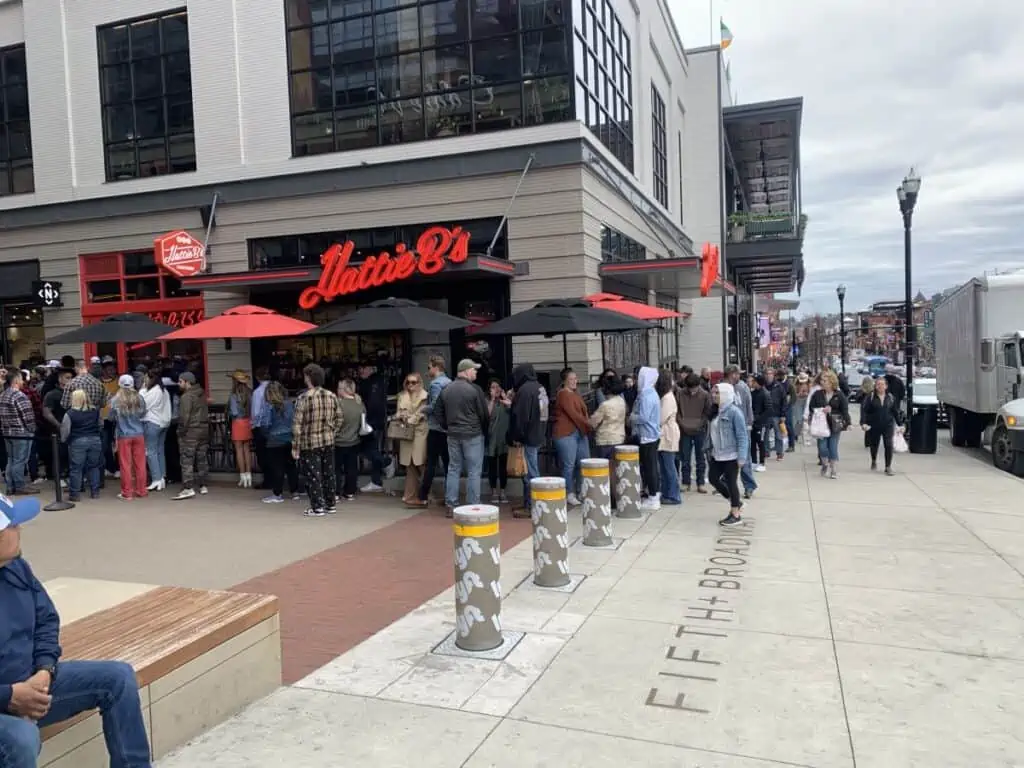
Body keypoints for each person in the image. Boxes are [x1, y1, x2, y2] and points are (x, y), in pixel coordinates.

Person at [0, 495, 153, 768]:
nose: (20, 529)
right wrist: (10, 696)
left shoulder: (16, 567)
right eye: (12, 526)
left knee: (118, 678)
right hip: (6, 698)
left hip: (31, 684)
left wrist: (45, 670)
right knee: (21, 739)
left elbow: (46, 620)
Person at [435, 359, 489, 516]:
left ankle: (451, 505)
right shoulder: (475, 390)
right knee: (473, 471)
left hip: (453, 434)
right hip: (473, 434)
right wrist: (484, 431)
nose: (476, 372)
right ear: (466, 371)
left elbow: (437, 411)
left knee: (453, 468)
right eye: (474, 369)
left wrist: (447, 426)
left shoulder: (446, 389)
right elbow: (484, 414)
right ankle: (473, 505)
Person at [292, 364, 339, 517]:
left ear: (308, 378)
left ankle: (318, 506)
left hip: (309, 442)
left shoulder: (303, 398)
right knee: (329, 473)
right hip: (328, 440)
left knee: (313, 475)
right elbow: (339, 418)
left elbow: (297, 425)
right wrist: (332, 431)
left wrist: (295, 447)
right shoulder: (331, 395)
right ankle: (330, 504)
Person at [410, 355, 451, 508]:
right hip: (448, 428)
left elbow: (434, 405)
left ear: (436, 367)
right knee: (448, 464)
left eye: (429, 367)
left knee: (431, 463)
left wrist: (422, 409)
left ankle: (422, 496)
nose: (428, 370)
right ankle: (450, 496)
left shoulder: (435, 384)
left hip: (436, 428)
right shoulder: (449, 382)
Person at [707, 382, 749, 527]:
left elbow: (742, 436)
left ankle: (735, 514)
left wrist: (742, 457)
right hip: (717, 453)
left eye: (717, 393)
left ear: (725, 394)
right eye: (713, 392)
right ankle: (736, 502)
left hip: (731, 454)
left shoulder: (734, 412)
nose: (714, 395)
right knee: (713, 478)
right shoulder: (716, 410)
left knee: (731, 483)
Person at [551, 368, 591, 506]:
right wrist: (589, 424)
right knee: (569, 465)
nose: (574, 381)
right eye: (571, 379)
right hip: (566, 433)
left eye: (575, 378)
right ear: (565, 381)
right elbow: (574, 414)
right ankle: (569, 493)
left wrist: (586, 424)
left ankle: (580, 490)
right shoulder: (563, 394)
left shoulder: (575, 393)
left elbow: (583, 412)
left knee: (583, 462)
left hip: (579, 432)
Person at [508, 363, 543, 518]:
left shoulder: (524, 390)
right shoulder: (540, 388)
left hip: (528, 436)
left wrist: (517, 437)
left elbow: (521, 417)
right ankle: (527, 503)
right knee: (529, 470)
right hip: (538, 433)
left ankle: (532, 506)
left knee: (530, 473)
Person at [357, 361, 394, 493]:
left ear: (371, 368)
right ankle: (376, 479)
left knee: (367, 449)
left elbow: (371, 404)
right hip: (377, 421)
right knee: (372, 449)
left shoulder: (368, 383)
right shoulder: (381, 381)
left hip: (370, 422)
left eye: (363, 368)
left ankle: (385, 463)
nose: (361, 371)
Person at [109, 375, 148, 500]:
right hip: (139, 434)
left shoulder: (116, 399)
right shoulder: (139, 397)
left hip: (123, 435)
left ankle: (127, 492)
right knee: (140, 463)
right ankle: (141, 490)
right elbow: (143, 413)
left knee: (125, 464)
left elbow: (110, 417)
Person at [171, 372, 209, 500]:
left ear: (187, 382)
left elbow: (185, 417)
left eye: (180, 381)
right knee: (201, 458)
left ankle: (188, 487)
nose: (179, 384)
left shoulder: (186, 396)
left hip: (191, 431)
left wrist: (181, 431)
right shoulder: (201, 393)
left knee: (187, 459)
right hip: (204, 429)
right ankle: (203, 485)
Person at [60, 390, 103, 501]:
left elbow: (65, 430)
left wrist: (64, 440)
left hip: (77, 441)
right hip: (95, 440)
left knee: (76, 468)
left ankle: (75, 494)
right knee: (94, 466)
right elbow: (100, 425)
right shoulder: (95, 411)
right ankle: (95, 492)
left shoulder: (70, 413)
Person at [260, 381, 299, 503]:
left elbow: (265, 424)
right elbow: (294, 421)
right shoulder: (289, 404)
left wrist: (268, 435)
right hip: (289, 439)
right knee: (291, 466)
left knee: (277, 468)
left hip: (274, 440)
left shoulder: (268, 406)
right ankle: (295, 491)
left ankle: (277, 493)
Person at [0, 371, 37, 496]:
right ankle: (19, 486)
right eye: (21, 379)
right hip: (21, 433)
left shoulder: (2, 395)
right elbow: (28, 416)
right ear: (16, 381)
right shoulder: (19, 396)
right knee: (20, 460)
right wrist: (32, 429)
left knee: (11, 459)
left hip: (7, 432)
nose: (23, 381)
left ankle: (10, 486)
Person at [808, 370, 849, 479]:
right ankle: (825, 464)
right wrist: (820, 410)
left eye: (825, 381)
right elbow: (811, 407)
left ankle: (834, 469)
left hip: (834, 425)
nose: (822, 382)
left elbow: (844, 410)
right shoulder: (817, 394)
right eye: (822, 380)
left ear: (831, 382)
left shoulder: (839, 395)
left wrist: (848, 423)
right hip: (821, 425)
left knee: (833, 447)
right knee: (822, 447)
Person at [395, 372, 428, 505]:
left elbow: (422, 413)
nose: (410, 385)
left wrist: (410, 418)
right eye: (408, 382)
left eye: (413, 382)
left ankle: (426, 493)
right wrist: (401, 416)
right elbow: (398, 412)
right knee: (409, 464)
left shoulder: (425, 396)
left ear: (419, 383)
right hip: (406, 432)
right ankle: (410, 495)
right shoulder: (402, 396)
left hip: (420, 432)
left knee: (420, 462)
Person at [631, 366, 661, 510]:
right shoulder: (650, 393)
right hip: (650, 435)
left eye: (639, 378)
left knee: (650, 468)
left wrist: (632, 417)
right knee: (651, 467)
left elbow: (643, 417)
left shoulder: (646, 396)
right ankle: (653, 494)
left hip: (647, 436)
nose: (637, 380)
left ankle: (653, 498)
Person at [676, 372, 711, 493]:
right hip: (684, 429)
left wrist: (700, 424)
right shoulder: (680, 393)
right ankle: (686, 482)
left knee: (700, 458)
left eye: (694, 388)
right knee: (685, 458)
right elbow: (677, 411)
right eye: (690, 388)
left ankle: (700, 483)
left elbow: (707, 412)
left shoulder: (705, 395)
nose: (692, 391)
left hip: (699, 430)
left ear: (698, 385)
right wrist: (682, 423)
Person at [861, 376, 902, 475]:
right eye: (878, 384)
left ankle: (888, 466)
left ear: (886, 386)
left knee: (888, 444)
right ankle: (874, 460)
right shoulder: (870, 397)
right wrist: (863, 423)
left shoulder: (890, 397)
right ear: (875, 386)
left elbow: (895, 412)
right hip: (874, 424)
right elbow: (864, 411)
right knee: (874, 445)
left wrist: (900, 424)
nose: (880, 386)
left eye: (882, 384)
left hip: (888, 425)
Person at [39, 368, 72, 489]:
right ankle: (60, 477)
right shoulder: (52, 394)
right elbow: (46, 412)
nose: (70, 380)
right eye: (67, 378)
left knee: (70, 454)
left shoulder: (74, 393)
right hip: (57, 430)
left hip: (73, 429)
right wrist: (59, 425)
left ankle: (69, 475)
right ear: (60, 379)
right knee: (59, 454)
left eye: (71, 378)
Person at [140, 371, 171, 492]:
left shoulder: (153, 391)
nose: (144, 381)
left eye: (145, 378)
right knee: (159, 450)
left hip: (152, 422)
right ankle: (162, 477)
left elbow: (142, 404)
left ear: (150, 379)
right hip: (163, 423)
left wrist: (142, 389)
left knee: (150, 452)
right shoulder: (164, 390)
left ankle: (156, 479)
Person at [334, 379, 364, 504]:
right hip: (354, 440)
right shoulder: (359, 404)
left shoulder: (339, 405)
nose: (337, 390)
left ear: (344, 389)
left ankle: (336, 492)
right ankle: (350, 491)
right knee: (351, 468)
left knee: (336, 468)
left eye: (339, 388)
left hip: (338, 441)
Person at [484, 379, 511, 504]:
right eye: (493, 387)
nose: (496, 389)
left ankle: (503, 491)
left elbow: (512, 410)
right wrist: (492, 399)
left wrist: (505, 398)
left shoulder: (505, 401)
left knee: (503, 467)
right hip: (492, 439)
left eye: (498, 386)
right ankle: (494, 491)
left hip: (504, 439)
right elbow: (487, 415)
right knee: (492, 467)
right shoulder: (487, 401)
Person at [656, 370, 681, 506]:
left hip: (668, 434)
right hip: (666, 433)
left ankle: (673, 495)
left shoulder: (667, 398)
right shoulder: (666, 396)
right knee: (665, 468)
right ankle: (666, 493)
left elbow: (660, 418)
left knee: (669, 467)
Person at [589, 375, 627, 461]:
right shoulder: (621, 401)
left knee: (605, 466)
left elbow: (593, 423)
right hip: (619, 438)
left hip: (605, 440)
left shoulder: (605, 405)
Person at [227, 370, 254, 488]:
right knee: (247, 450)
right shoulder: (250, 393)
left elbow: (233, 412)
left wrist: (229, 412)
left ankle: (242, 477)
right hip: (248, 421)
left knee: (238, 450)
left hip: (237, 422)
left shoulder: (234, 394)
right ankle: (249, 476)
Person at [250, 367, 271, 490]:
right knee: (274, 454)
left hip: (261, 426)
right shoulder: (276, 388)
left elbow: (256, 412)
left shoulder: (257, 392)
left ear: (257, 377)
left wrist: (253, 426)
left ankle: (267, 480)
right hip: (274, 425)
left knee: (263, 454)